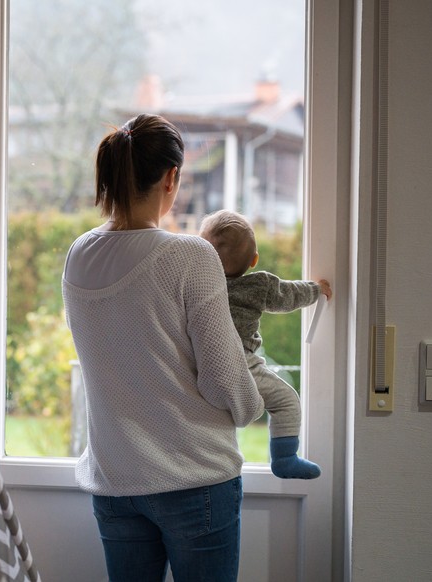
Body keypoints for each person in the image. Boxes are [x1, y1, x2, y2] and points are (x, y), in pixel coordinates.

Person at [62, 114, 264, 582]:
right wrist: (253, 404)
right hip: (195, 480)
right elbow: (224, 381)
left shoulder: (78, 254)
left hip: (115, 483)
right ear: (172, 177)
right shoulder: (190, 256)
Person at [199, 209, 332, 480]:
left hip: (198, 363)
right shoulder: (259, 286)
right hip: (242, 364)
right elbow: (290, 295)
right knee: (286, 401)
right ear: (254, 260)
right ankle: (285, 459)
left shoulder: (196, 284)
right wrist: (317, 290)